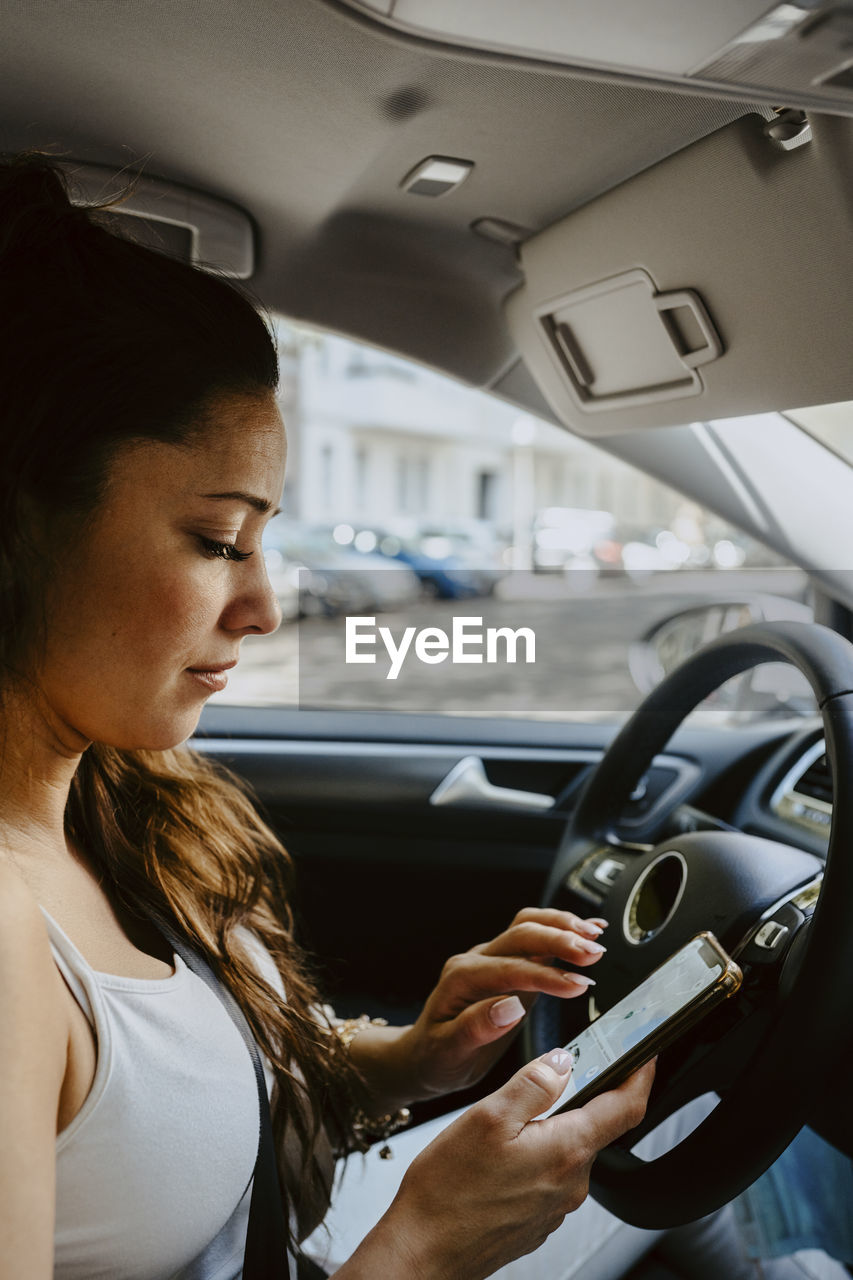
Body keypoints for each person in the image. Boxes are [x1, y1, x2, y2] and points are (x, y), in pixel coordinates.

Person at [0, 154, 847, 1280]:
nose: (261, 605)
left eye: (266, 540)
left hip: (300, 1236)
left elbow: (150, 1107)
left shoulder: (108, 790)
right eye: (216, 540)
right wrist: (421, 1251)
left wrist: (400, 1063)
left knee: (689, 1140)